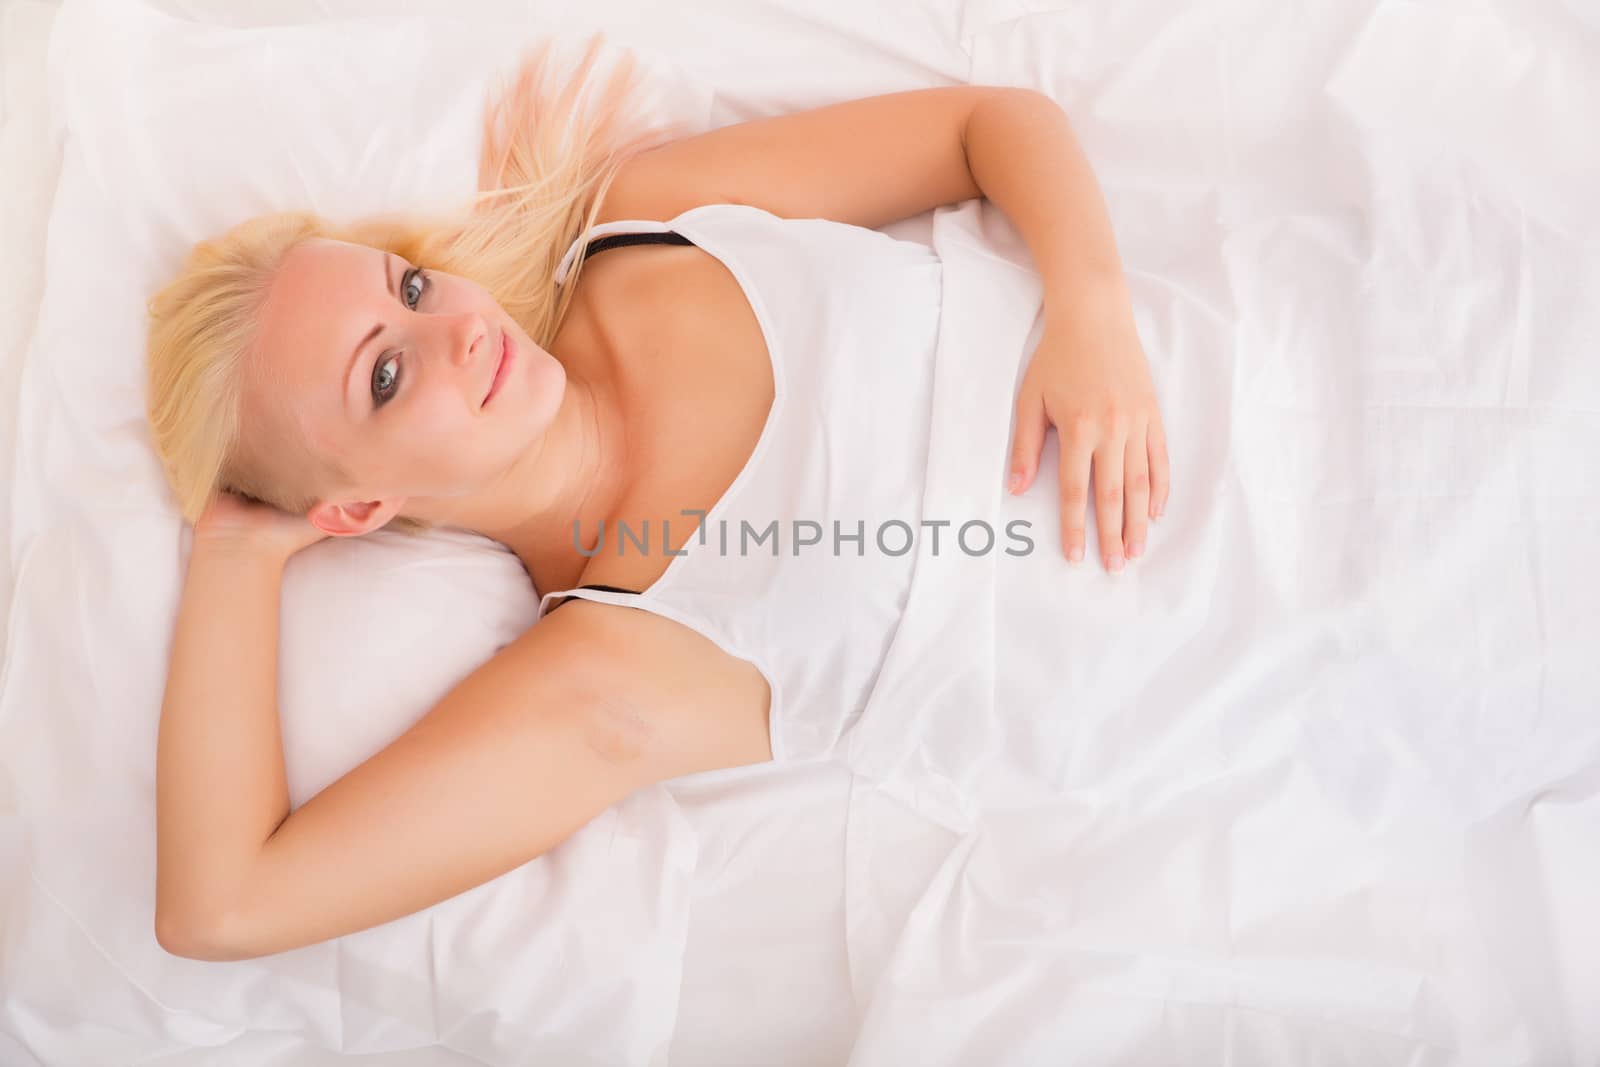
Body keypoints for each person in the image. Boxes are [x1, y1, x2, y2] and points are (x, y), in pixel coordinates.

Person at [144, 35, 1170, 962]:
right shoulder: (607, 674)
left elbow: (986, 123)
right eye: (384, 376)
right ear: (357, 510)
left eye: (408, 286)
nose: (455, 327)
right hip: (1192, 650)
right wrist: (239, 547)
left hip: (1210, 357)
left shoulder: (651, 222)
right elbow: (219, 906)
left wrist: (1090, 311)